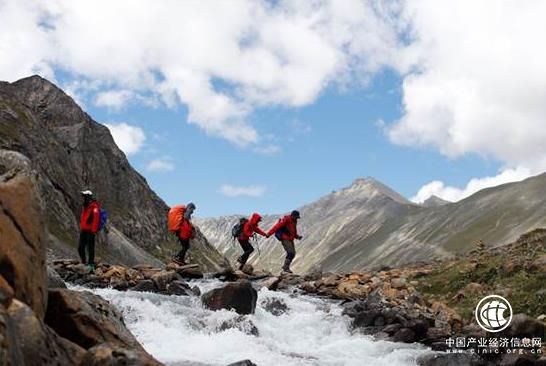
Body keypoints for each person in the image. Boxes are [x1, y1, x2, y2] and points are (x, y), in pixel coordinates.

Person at [78, 190, 101, 272]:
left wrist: (93, 230)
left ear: (88, 197)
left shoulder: (94, 207)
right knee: (80, 247)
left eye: (85, 196)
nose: (83, 198)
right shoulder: (86, 206)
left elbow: (96, 219)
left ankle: (91, 264)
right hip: (84, 230)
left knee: (90, 248)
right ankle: (84, 262)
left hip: (90, 231)